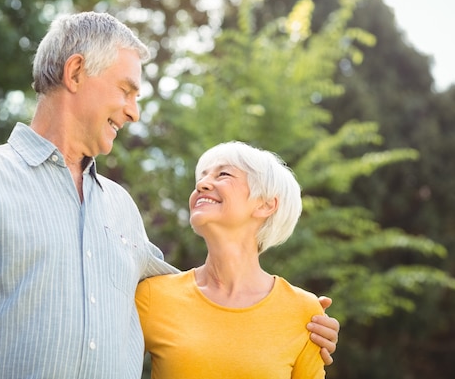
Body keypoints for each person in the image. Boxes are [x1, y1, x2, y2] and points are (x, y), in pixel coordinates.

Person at [0, 12, 338, 379]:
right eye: (126, 89)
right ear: (75, 73)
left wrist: (293, 319)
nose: (134, 110)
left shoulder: (121, 208)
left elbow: (202, 294)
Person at [136, 141, 331, 379]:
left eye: (223, 174)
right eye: (203, 176)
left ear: (266, 204)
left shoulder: (305, 312)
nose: (201, 184)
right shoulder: (152, 296)